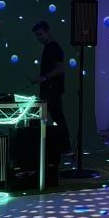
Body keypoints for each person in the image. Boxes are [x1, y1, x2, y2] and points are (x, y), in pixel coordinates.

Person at [31, 21, 71, 153]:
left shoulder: (54, 47)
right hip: (48, 89)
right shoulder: (49, 47)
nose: (39, 37)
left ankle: (66, 147)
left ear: (48, 31)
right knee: (55, 117)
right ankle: (63, 147)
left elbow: (60, 68)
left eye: (40, 34)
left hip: (52, 89)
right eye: (37, 35)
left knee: (58, 117)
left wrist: (44, 78)